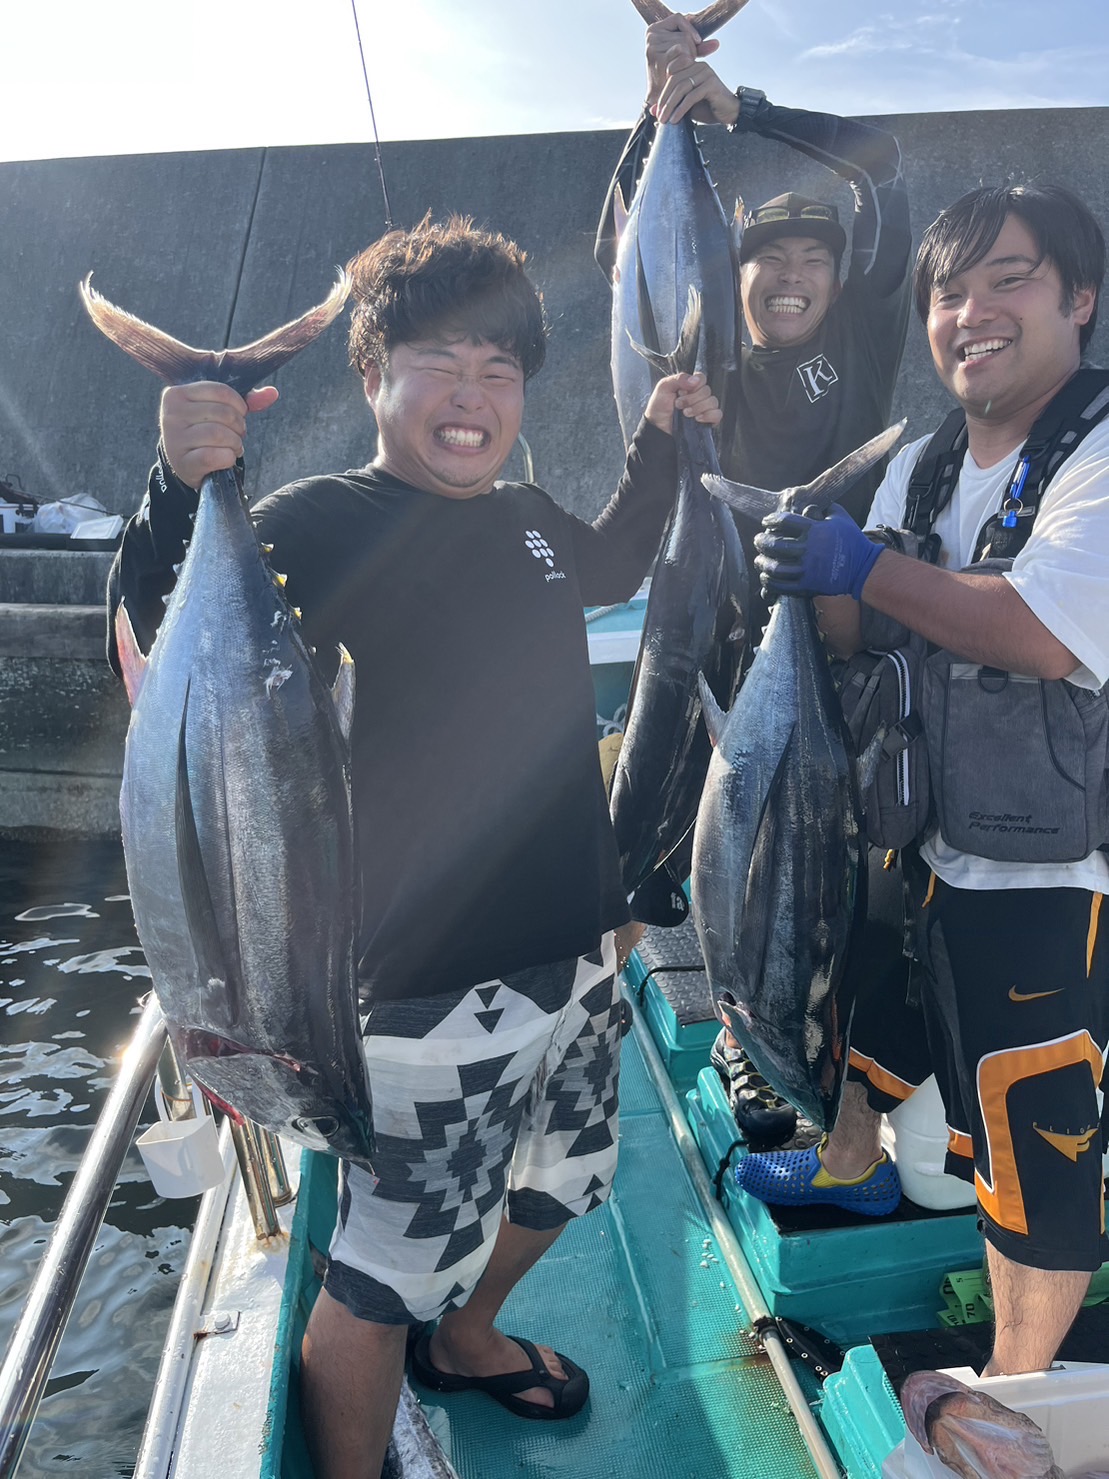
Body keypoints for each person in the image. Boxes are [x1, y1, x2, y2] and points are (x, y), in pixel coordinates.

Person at [106, 216, 722, 1478]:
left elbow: (605, 556)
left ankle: (474, 1338)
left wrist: (658, 433)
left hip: (577, 953)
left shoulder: (530, 517)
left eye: (500, 370)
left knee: (568, 1178)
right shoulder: (322, 522)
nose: (471, 397)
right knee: (384, 1273)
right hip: (431, 989)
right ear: (373, 374)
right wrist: (179, 484)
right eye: (439, 361)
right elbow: (156, 646)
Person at [747, 182, 1109, 1375]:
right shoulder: (923, 456)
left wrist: (860, 561)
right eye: (947, 292)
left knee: (1029, 1137)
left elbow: (1039, 634)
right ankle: (851, 1169)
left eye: (1007, 279)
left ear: (1079, 300)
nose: (970, 311)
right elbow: (868, 635)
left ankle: (1014, 1387)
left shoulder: (1099, 449)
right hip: (921, 835)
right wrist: (802, 579)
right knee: (872, 1011)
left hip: (1056, 878)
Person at [596, 9, 913, 1145]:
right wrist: (657, 104)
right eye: (764, 260)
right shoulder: (699, 352)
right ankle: (601, 1013)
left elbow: (885, 170)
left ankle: (800, 1037)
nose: (787, 276)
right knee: (642, 828)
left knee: (826, 850)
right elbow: (625, 253)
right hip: (697, 606)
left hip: (827, 614)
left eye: (809, 259)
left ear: (839, 274)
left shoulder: (870, 337)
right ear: (725, 280)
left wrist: (742, 113)